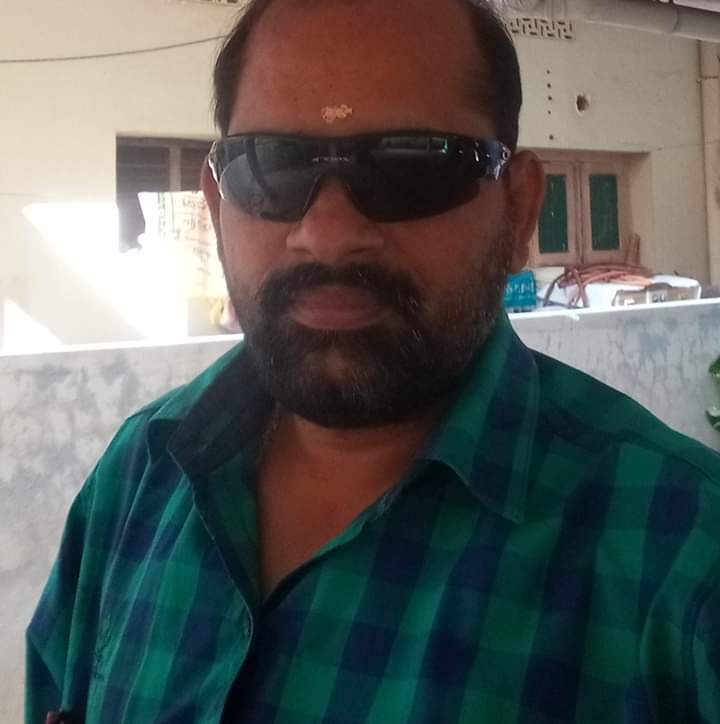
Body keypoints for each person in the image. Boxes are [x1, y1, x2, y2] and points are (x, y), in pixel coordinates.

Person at [26, 0, 720, 721]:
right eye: (272, 166)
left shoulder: (684, 557)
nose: (328, 235)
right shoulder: (137, 480)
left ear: (518, 210)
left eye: (410, 165)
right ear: (216, 203)